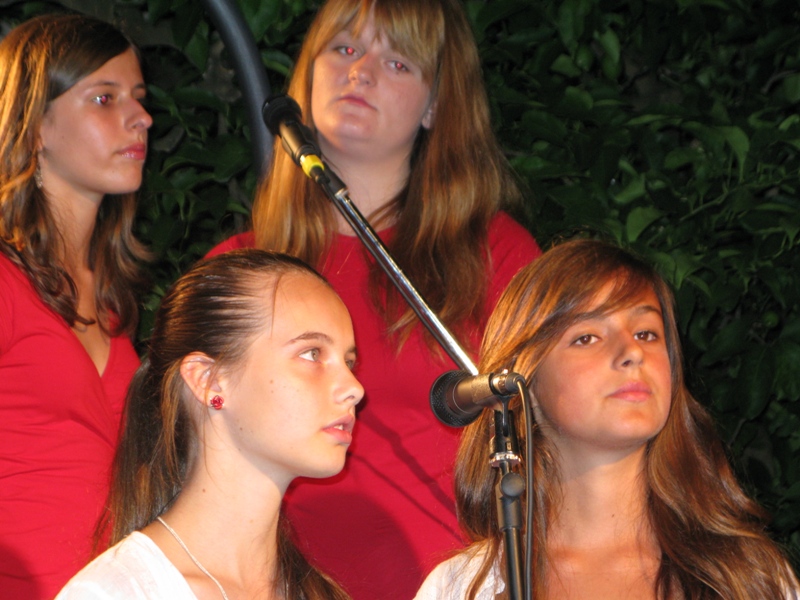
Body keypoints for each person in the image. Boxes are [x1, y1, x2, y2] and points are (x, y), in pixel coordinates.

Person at [208, 0, 541, 596]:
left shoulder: (497, 256)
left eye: (397, 62)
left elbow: (554, 442)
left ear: (436, 104)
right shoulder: (238, 269)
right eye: (344, 49)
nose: (360, 71)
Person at [415, 239, 799, 599]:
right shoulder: (463, 587)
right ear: (525, 381)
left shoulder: (748, 576)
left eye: (647, 333)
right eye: (587, 337)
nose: (632, 351)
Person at [57, 249, 364, 599]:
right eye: (312, 353)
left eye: (349, 362)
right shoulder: (115, 592)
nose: (354, 388)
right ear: (210, 381)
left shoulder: (314, 592)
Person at [0, 13, 152, 598]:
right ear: (35, 126)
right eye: (104, 98)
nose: (141, 118)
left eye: (139, 97)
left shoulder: (111, 302)